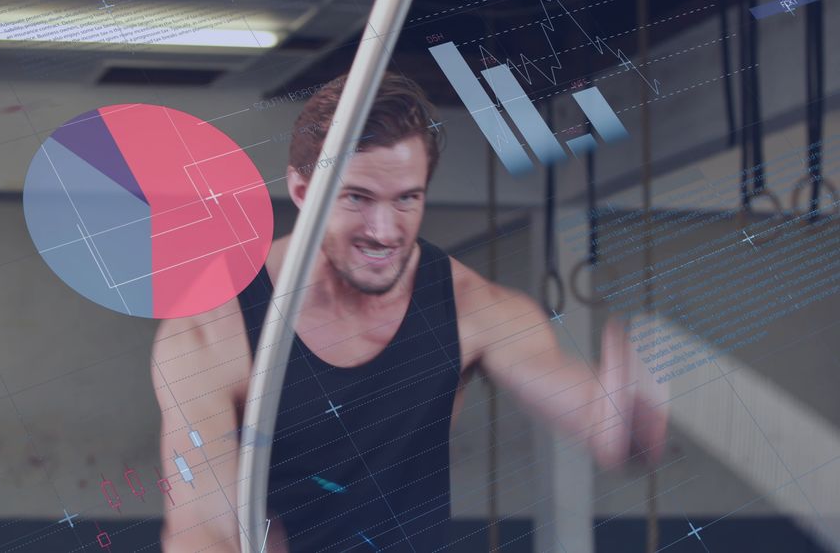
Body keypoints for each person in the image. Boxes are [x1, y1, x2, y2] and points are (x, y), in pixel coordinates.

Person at [151, 73, 667, 552]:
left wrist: (627, 420)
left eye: (406, 199)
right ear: (304, 192)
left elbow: (597, 421)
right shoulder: (213, 327)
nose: (384, 230)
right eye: (357, 197)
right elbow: (202, 525)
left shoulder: (474, 309)